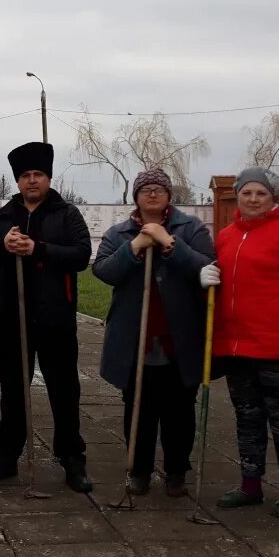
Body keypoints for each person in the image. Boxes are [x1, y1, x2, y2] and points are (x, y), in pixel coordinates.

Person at [201, 167, 279, 519]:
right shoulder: (226, 236)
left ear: (273, 198)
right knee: (247, 419)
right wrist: (206, 278)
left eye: (261, 194)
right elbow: (226, 284)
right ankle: (250, 484)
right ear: (237, 196)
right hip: (237, 348)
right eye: (247, 193)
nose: (253, 199)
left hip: (278, 348)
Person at [0, 142, 94, 493]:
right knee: (13, 393)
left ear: (48, 177)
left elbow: (81, 254)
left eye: (37, 174)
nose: (31, 181)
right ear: (17, 180)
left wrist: (38, 248)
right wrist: (2, 246)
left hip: (55, 317)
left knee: (64, 392)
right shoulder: (4, 216)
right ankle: (6, 457)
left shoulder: (66, 213)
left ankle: (72, 459)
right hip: (14, 317)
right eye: (25, 176)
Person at [92, 168, 216, 497]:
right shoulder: (119, 233)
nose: (151, 194)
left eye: (158, 189)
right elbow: (103, 271)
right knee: (139, 408)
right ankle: (139, 469)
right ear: (136, 196)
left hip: (179, 337)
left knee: (179, 411)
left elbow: (207, 269)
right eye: (144, 189)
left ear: (168, 195)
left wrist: (168, 243)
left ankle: (177, 471)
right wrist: (136, 245)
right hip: (135, 339)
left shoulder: (191, 229)